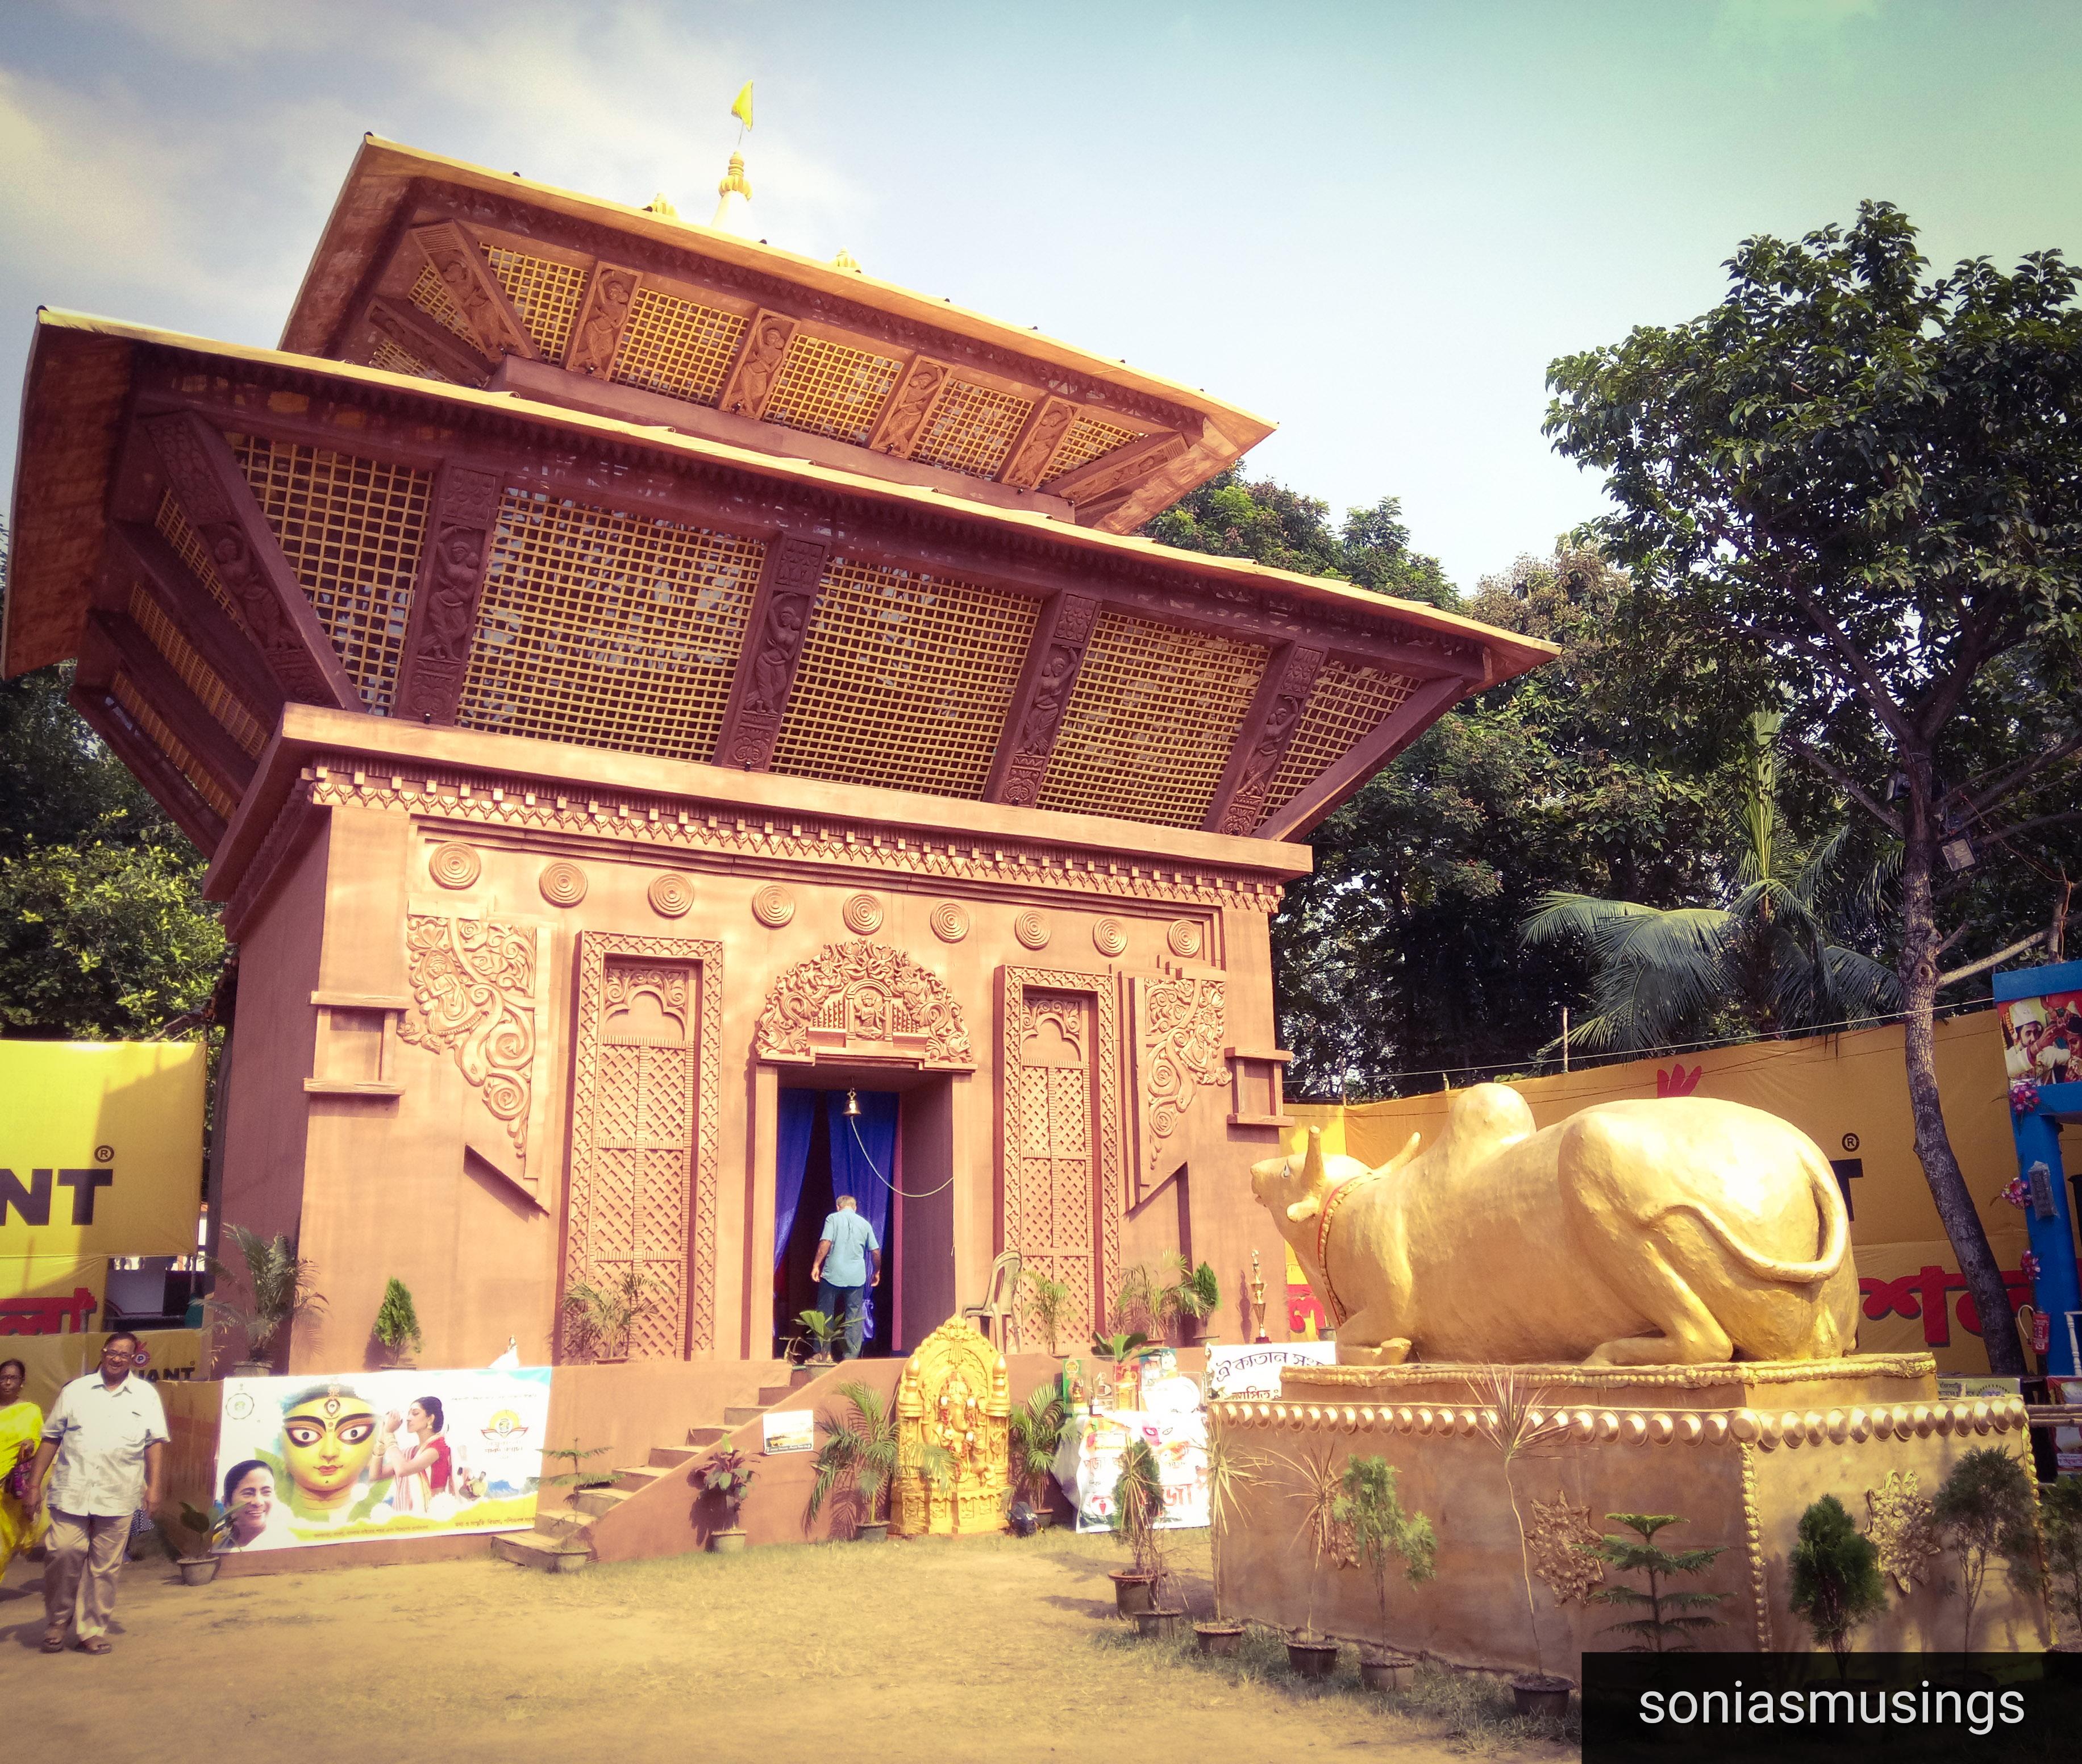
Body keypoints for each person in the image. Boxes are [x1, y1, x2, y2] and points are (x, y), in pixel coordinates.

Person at [23, 1330, 167, 1654]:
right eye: (112, 1352)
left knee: (105, 1566)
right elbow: (51, 1438)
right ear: (103, 1352)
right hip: (72, 1490)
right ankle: (58, 1621)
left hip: (119, 1492)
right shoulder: (76, 1391)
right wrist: (33, 1485)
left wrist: (155, 1486)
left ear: (134, 1359)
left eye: (124, 1355)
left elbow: (155, 1442)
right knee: (63, 1552)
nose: (117, 1359)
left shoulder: (145, 1395)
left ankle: (91, 1630)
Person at [809, 1194, 881, 1361]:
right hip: (856, 1277)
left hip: (833, 1273)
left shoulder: (832, 1219)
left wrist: (816, 1265)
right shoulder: (865, 1224)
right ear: (855, 1208)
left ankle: (824, 1353)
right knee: (854, 1316)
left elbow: (826, 1242)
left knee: (825, 1313)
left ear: (838, 1207)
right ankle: (850, 1357)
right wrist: (877, 1271)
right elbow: (876, 1252)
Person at [1, 1357, 48, 1574]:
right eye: (3, 1378)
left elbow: (38, 1440)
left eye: (13, 1378)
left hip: (9, 1486)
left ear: (22, 1382)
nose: (7, 1382)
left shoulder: (30, 1411)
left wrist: (31, 1444)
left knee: (5, 1538)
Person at [214, 1459, 290, 1553]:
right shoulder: (217, 1544)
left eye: (266, 1492)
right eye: (248, 1493)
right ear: (226, 1502)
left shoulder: (285, 1545)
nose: (258, 1502)